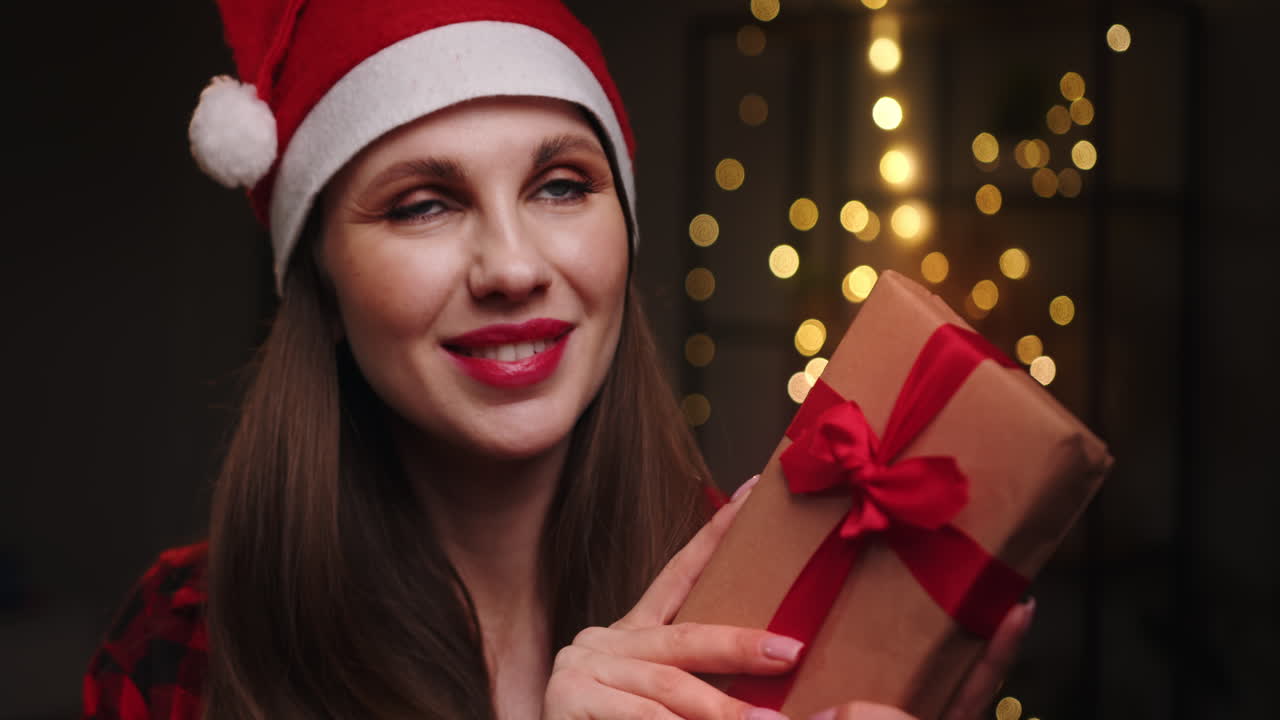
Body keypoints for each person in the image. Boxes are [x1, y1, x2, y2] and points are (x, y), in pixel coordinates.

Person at [82, 2, 1033, 719]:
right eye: (422, 204)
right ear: (322, 287)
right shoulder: (186, 634)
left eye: (563, 185)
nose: (514, 267)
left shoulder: (775, 614)